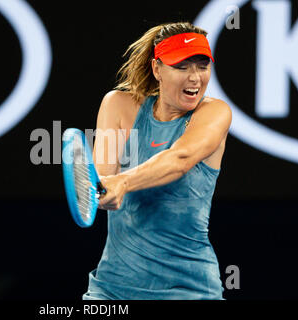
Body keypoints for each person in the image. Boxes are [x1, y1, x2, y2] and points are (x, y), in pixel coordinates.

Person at [83, 22, 232, 300]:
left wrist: (122, 182)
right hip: (111, 289)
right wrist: (102, 191)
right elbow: (103, 179)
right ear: (157, 69)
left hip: (189, 290)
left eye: (202, 66)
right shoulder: (117, 104)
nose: (195, 78)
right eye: (182, 67)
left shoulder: (215, 112)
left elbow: (180, 159)